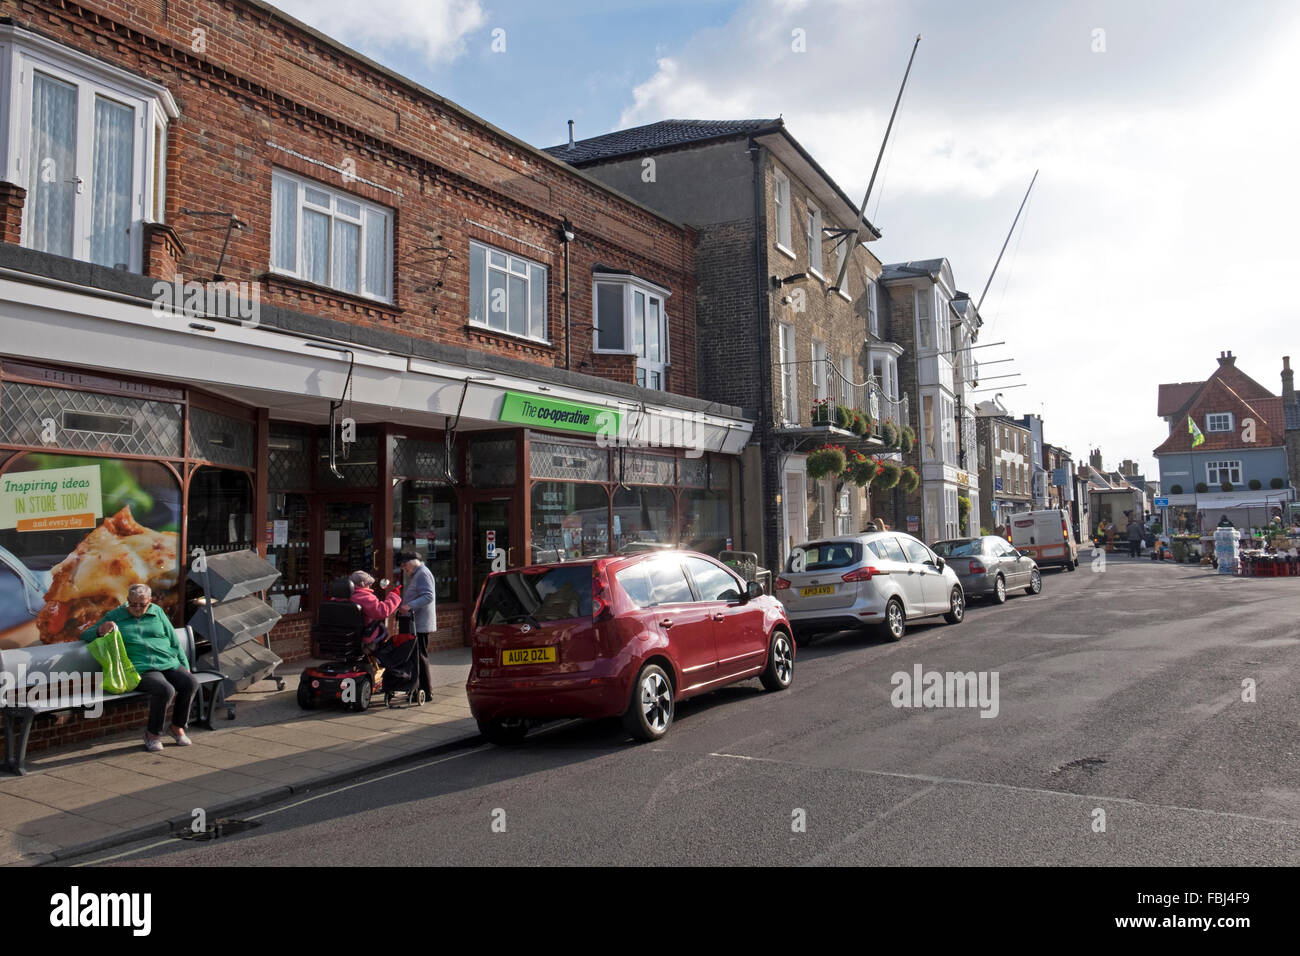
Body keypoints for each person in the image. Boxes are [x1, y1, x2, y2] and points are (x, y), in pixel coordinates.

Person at [81, 583, 198, 753]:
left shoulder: (157, 612)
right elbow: (85, 634)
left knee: (190, 683)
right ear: (127, 600)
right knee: (165, 689)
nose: (137, 608)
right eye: (133, 604)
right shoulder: (116, 615)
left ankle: (177, 727)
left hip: (167, 661)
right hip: (139, 668)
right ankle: (152, 735)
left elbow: (174, 641)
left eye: (142, 605)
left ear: (149, 602)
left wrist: (185, 666)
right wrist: (101, 630)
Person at [397, 551, 436, 700]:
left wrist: (409, 606)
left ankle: (425, 691)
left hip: (420, 623)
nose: (403, 568)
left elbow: (428, 596)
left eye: (405, 564)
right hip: (416, 622)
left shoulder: (422, 574)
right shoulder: (419, 574)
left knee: (419, 657)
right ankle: (421, 690)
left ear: (414, 561)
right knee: (417, 657)